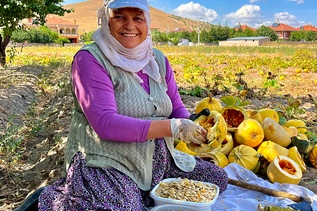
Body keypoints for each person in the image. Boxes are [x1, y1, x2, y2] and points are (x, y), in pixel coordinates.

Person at [37, 0, 228, 210]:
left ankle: (141, 193)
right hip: (107, 161)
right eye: (119, 17)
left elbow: (176, 108)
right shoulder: (90, 60)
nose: (129, 25)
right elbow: (106, 123)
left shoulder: (158, 60)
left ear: (147, 22)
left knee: (216, 178)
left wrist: (197, 126)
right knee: (127, 207)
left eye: (137, 18)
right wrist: (174, 128)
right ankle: (62, 196)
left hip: (156, 160)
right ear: (106, 21)